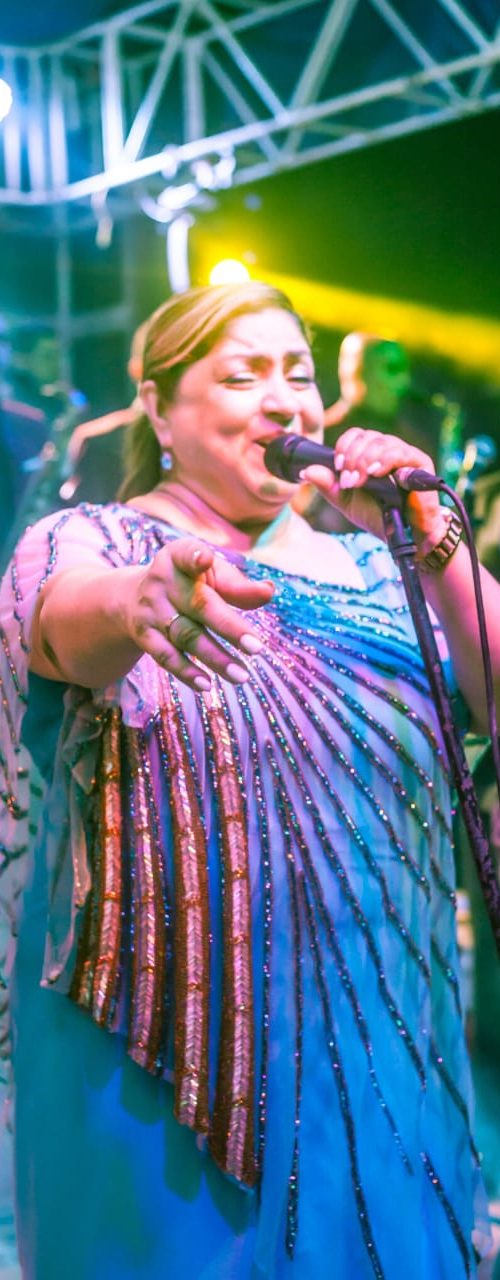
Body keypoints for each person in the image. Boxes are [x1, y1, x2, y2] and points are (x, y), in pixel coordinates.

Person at [0, 281, 498, 1280]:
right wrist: (140, 601)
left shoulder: (379, 570)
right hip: (154, 1056)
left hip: (383, 1042)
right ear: (157, 408)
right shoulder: (91, 540)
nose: (284, 400)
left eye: (298, 374)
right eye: (242, 376)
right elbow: (62, 619)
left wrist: (429, 538)